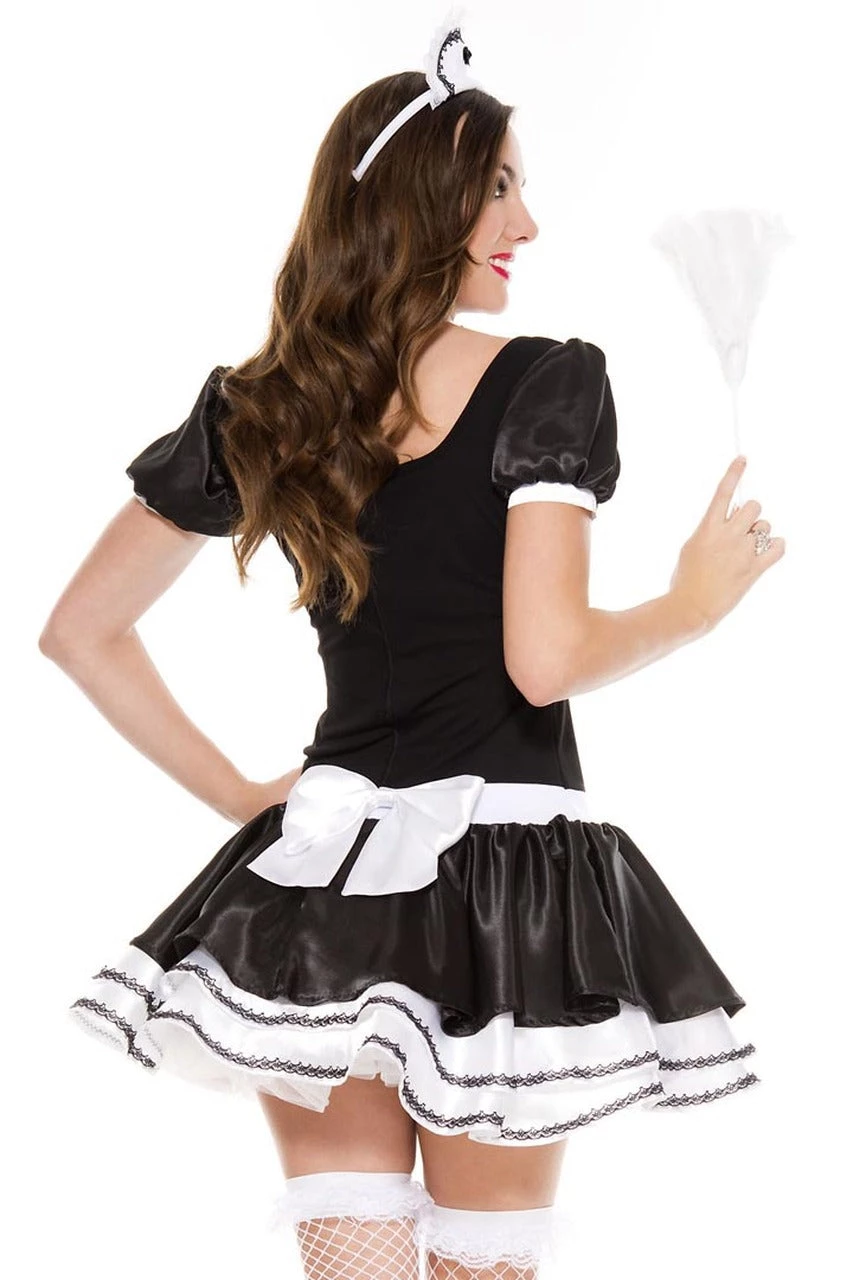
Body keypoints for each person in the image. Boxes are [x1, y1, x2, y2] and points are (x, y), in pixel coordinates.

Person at [38, 26, 785, 1280]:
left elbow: (82, 631)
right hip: (503, 885)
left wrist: (248, 800)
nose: (527, 222)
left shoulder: (267, 404)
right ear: (417, 204)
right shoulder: (547, 381)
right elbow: (544, 660)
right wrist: (691, 603)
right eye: (498, 187)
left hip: (324, 876)